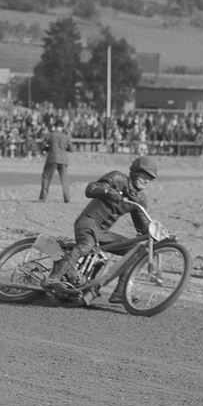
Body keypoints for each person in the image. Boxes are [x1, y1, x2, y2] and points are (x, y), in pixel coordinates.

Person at [46, 156, 157, 305]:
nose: (147, 180)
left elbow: (141, 226)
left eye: (150, 178)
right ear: (135, 172)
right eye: (145, 175)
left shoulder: (140, 199)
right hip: (87, 222)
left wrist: (156, 233)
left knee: (134, 250)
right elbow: (90, 189)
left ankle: (120, 293)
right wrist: (107, 191)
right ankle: (54, 277)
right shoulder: (118, 178)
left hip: (102, 233)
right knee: (86, 245)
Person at [38, 119, 73, 203]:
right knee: (64, 180)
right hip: (63, 160)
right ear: (62, 127)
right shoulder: (66, 136)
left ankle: (43, 197)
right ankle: (67, 198)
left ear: (55, 127)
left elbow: (43, 145)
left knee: (46, 178)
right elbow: (71, 148)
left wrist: (46, 149)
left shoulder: (49, 135)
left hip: (52, 158)